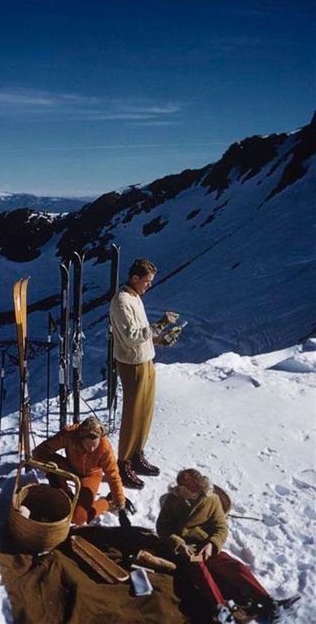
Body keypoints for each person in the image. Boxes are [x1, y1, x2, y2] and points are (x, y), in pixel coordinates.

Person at [156, 468, 298, 623]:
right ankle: (220, 608)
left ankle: (269, 603)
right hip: (186, 549)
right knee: (198, 566)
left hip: (206, 546)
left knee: (234, 566)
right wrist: (178, 544)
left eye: (191, 489)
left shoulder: (212, 500)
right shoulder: (173, 500)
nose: (186, 492)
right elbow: (163, 527)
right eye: (183, 488)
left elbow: (221, 528)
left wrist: (212, 544)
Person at [109, 257, 179, 488]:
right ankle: (124, 462)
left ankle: (137, 454)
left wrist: (160, 339)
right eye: (146, 281)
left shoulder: (135, 298)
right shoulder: (121, 301)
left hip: (146, 359)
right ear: (135, 278)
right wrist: (159, 325)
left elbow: (141, 334)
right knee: (133, 413)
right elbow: (131, 338)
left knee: (145, 411)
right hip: (132, 364)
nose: (149, 285)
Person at [32, 416, 130, 526]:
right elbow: (40, 451)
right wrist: (49, 467)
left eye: (95, 446)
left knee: (79, 518)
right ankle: (66, 493)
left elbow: (113, 476)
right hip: (70, 467)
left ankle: (107, 501)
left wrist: (121, 507)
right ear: (81, 438)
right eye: (88, 446)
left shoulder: (105, 448)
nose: (92, 450)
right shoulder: (70, 435)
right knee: (63, 504)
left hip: (91, 475)